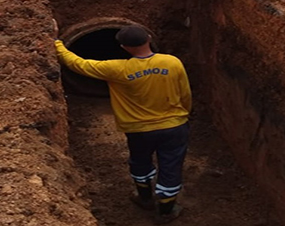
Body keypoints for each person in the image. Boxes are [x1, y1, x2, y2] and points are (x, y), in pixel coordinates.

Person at [54, 24, 191, 224]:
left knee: (140, 161)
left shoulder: (117, 68)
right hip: (174, 127)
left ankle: (144, 199)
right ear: (148, 39)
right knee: (171, 166)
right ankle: (166, 211)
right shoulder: (172, 62)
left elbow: (78, 64)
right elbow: (185, 93)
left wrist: (57, 43)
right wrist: (183, 114)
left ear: (124, 47)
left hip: (139, 130)